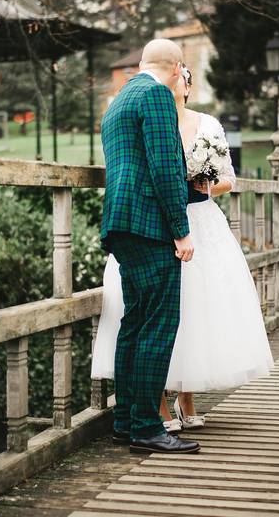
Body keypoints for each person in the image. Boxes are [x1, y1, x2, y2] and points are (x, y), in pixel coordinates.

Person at [93, 64, 274, 432]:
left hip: (199, 222)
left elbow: (227, 177)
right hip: (159, 223)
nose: (183, 81)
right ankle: (153, 409)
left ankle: (181, 398)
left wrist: (203, 187)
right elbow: (156, 169)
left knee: (193, 311)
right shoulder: (151, 109)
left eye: (189, 78)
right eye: (181, 73)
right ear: (173, 75)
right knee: (155, 317)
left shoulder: (206, 125)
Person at [98, 38, 200, 455]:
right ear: (177, 69)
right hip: (151, 225)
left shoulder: (120, 100)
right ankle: (146, 427)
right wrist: (181, 229)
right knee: (159, 324)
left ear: (141, 64)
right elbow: (162, 165)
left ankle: (126, 421)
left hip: (121, 223)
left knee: (136, 323)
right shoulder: (158, 94)